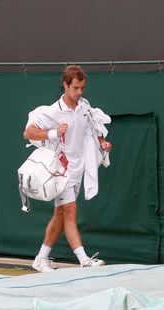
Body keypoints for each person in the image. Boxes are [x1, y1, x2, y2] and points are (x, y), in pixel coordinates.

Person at [23, 65, 113, 272]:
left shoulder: (85, 107)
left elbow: (92, 129)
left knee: (61, 215)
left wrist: (102, 142)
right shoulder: (53, 112)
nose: (79, 92)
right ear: (65, 85)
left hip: (79, 170)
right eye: (75, 88)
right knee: (70, 212)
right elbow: (28, 133)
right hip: (61, 171)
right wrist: (54, 132)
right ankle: (84, 260)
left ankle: (40, 259)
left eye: (82, 88)